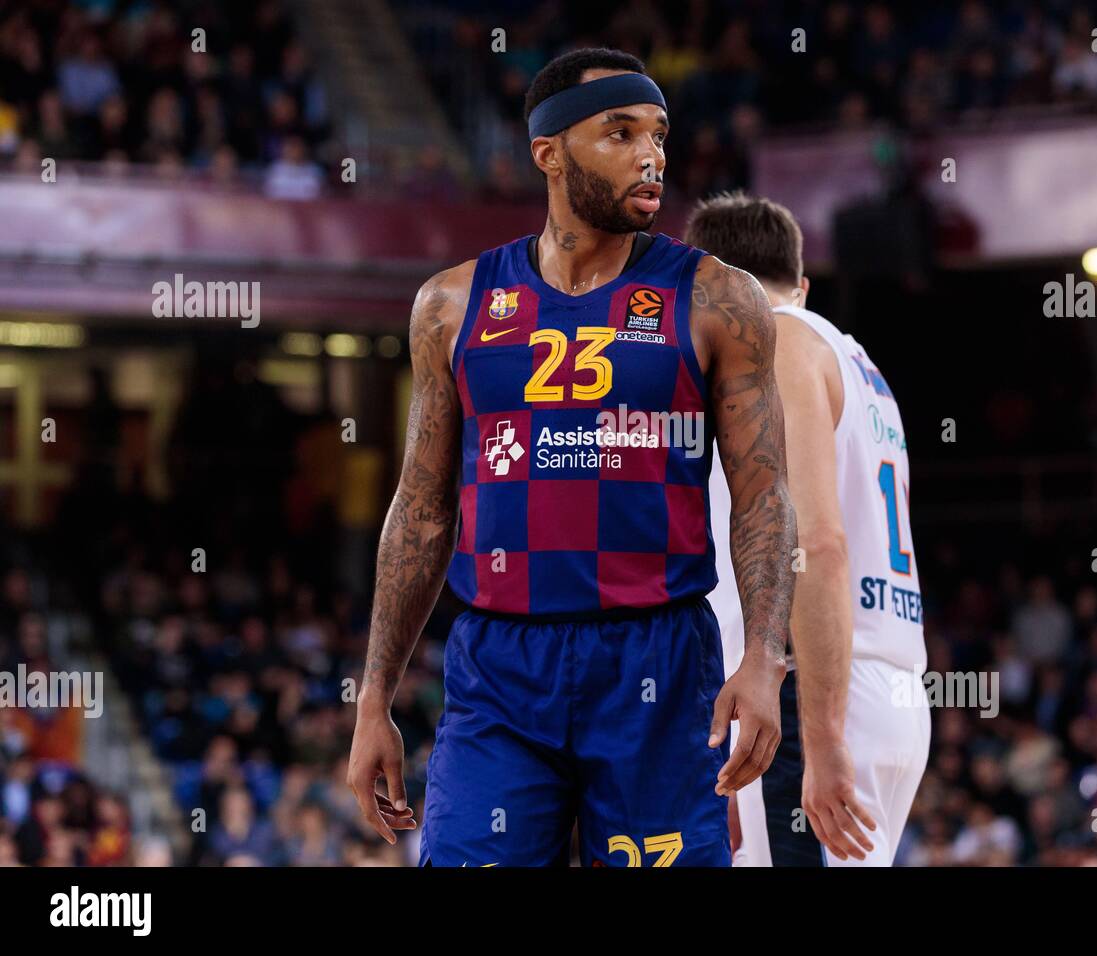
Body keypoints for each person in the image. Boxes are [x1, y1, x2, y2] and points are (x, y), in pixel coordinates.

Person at [347, 49, 796, 867]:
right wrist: (374, 696)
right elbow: (420, 507)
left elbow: (765, 496)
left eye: (658, 134)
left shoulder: (717, 297)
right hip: (499, 670)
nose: (650, 154)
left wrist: (765, 656)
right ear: (548, 153)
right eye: (619, 132)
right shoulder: (451, 305)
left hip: (656, 664)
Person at [686, 192, 928, 866]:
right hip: (888, 679)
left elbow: (813, 543)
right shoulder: (859, 364)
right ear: (802, 283)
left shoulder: (777, 341)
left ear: (706, 286)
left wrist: (819, 739)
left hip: (807, 689)